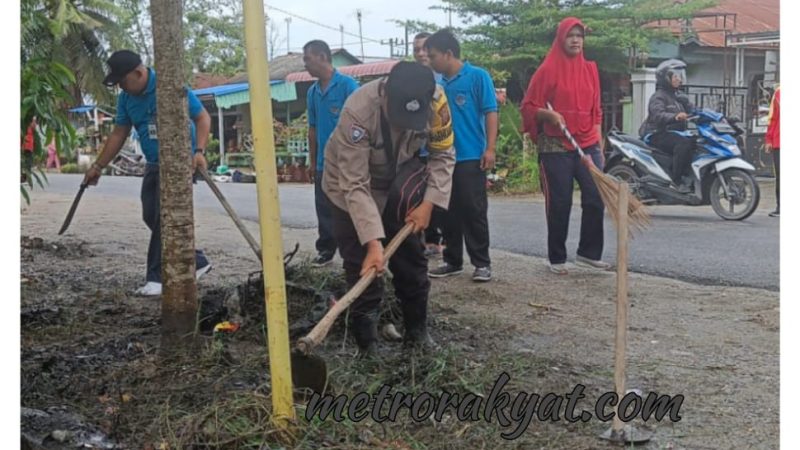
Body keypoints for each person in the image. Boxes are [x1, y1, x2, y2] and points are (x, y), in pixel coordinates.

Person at [322, 61, 455, 355]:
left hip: (397, 183)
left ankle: (417, 334)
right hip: (348, 188)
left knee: (412, 258)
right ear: (385, 96)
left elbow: (443, 156)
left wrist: (428, 205)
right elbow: (355, 184)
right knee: (363, 264)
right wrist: (373, 243)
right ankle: (367, 345)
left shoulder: (437, 102)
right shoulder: (358, 112)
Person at [83, 50, 212, 296]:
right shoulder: (126, 99)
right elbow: (119, 133)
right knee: (150, 216)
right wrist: (98, 166)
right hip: (153, 162)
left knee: (163, 218)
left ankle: (157, 278)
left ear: (139, 73)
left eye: (123, 81)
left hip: (180, 163)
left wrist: (199, 151)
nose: (121, 87)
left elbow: (202, 117)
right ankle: (196, 260)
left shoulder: (170, 87)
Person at [520, 17, 608, 275]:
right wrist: (549, 116)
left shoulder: (591, 69)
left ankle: (588, 253)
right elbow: (528, 107)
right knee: (560, 202)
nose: (576, 40)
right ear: (561, 39)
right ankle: (557, 257)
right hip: (556, 144)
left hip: (588, 142)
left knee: (596, 196)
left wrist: (599, 145)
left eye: (580, 36)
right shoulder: (547, 70)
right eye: (571, 35)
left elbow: (597, 111)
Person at [424, 29, 498, 282]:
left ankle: (482, 263)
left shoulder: (478, 77)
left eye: (432, 56)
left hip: (470, 157)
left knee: (473, 210)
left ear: (448, 54)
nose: (430, 60)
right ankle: (452, 260)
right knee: (447, 212)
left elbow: (490, 112)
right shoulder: (437, 86)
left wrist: (490, 149)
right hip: (443, 159)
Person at [304, 40, 360, 267]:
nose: (305, 64)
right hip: (322, 163)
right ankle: (326, 249)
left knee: (348, 205)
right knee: (323, 206)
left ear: (322, 57)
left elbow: (359, 122)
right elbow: (313, 129)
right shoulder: (312, 92)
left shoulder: (348, 86)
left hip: (346, 161)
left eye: (308, 58)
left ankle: (354, 249)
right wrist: (312, 161)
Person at [412, 31, 446, 258]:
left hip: (440, 149)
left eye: (425, 48)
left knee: (440, 193)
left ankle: (440, 241)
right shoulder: (409, 81)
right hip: (415, 151)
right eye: (416, 50)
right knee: (417, 196)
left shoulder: (444, 80)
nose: (421, 54)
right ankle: (424, 240)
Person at [639, 59, 695, 193]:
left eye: (681, 75)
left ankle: (689, 176)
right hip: (656, 133)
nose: (679, 79)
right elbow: (657, 115)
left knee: (697, 142)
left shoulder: (680, 97)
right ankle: (676, 181)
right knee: (684, 144)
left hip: (674, 133)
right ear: (666, 78)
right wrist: (675, 117)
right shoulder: (658, 97)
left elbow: (694, 110)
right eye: (676, 76)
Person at [765, 84, 780, 217]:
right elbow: (772, 118)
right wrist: (769, 139)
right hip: (779, 141)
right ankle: (780, 207)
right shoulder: (779, 93)